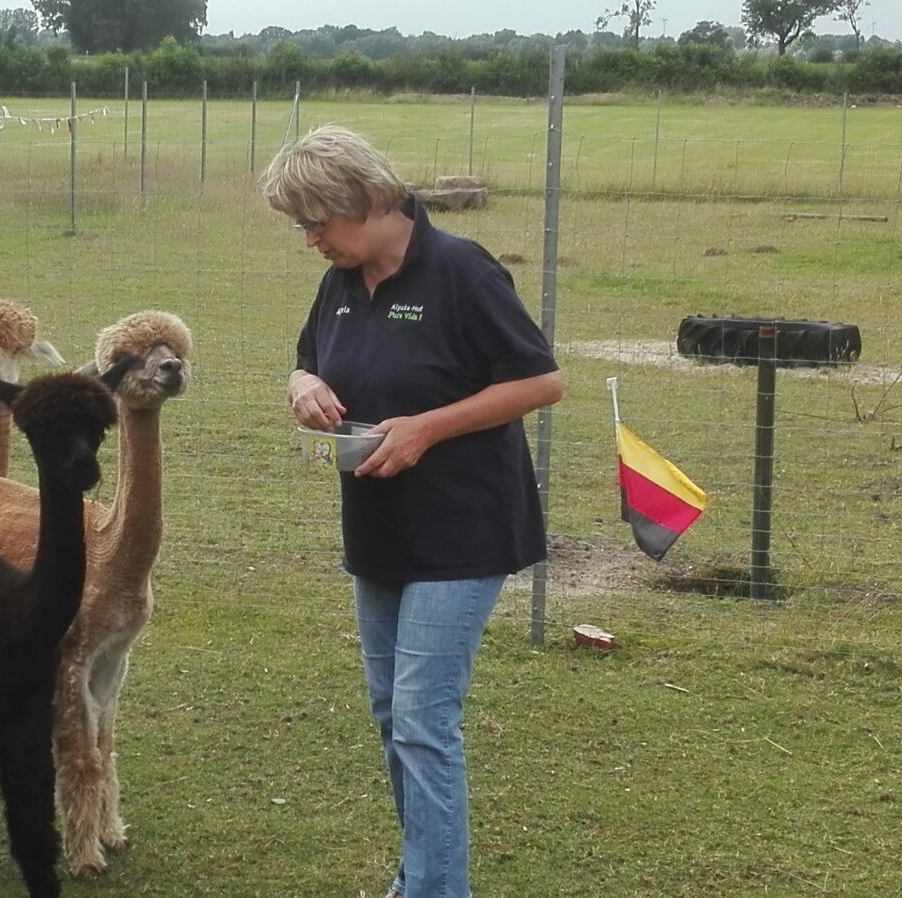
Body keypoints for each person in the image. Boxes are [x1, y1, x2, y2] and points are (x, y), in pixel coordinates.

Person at [261, 124, 563, 898]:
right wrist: (302, 387)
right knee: (392, 713)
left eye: (316, 224)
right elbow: (307, 359)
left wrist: (430, 427)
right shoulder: (341, 281)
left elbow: (539, 382)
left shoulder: (462, 271)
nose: (310, 241)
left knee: (424, 721)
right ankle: (420, 875)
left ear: (361, 201)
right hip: (377, 531)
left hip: (462, 531)